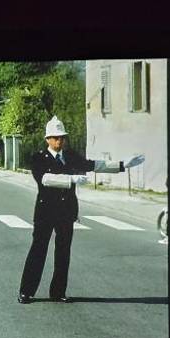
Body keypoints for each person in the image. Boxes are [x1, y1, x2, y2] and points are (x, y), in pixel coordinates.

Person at [17, 116, 145, 304]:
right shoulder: (38, 157)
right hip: (46, 212)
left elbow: (92, 165)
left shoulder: (70, 156)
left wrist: (121, 165)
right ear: (48, 139)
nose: (60, 140)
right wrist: (71, 179)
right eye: (55, 137)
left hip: (66, 212)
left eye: (62, 137)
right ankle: (26, 291)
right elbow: (44, 179)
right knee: (38, 249)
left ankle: (58, 291)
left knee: (63, 252)